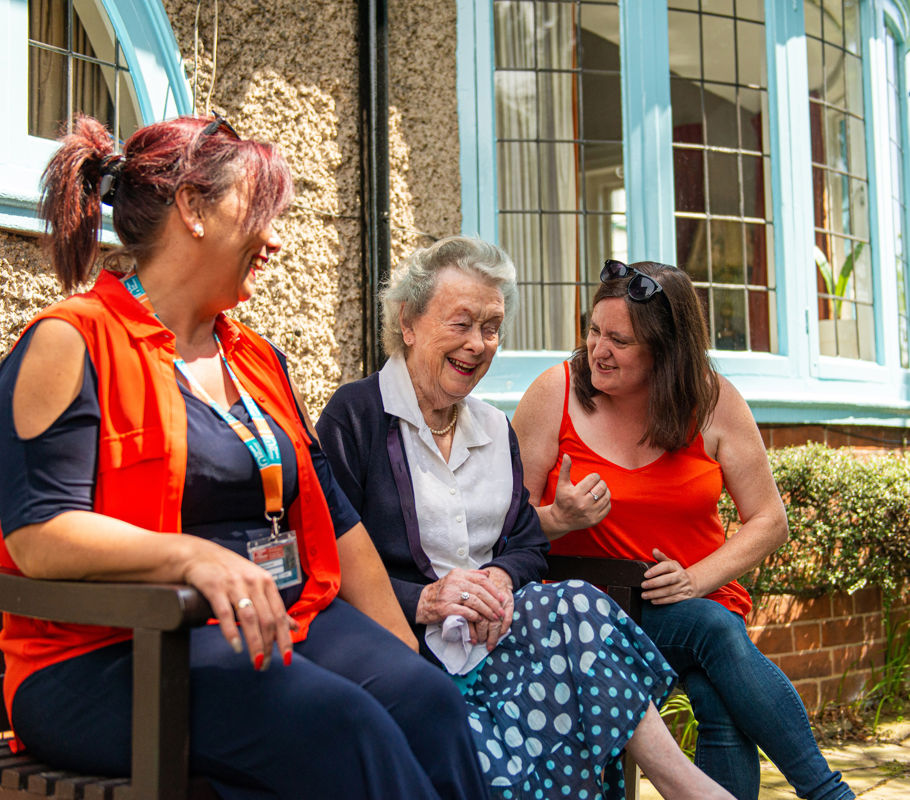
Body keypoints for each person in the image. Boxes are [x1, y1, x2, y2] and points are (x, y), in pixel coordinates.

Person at [0, 114, 490, 800]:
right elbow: (38, 535)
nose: (277, 238)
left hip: (281, 622)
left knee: (429, 707)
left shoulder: (255, 359)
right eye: (261, 210)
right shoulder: (70, 341)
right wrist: (193, 557)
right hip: (115, 655)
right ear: (194, 209)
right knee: (345, 727)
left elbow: (332, 515)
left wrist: (400, 657)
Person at [316, 236, 735, 800]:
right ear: (409, 322)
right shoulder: (358, 415)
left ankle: (683, 786)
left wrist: (501, 577)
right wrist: (426, 599)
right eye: (461, 323)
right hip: (405, 650)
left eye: (491, 328)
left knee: (577, 604)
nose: (478, 344)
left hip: (494, 638)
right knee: (549, 703)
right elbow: (326, 553)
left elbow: (525, 542)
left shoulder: (491, 427)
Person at [512, 259, 855, 800]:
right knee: (715, 634)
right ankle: (828, 792)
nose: (597, 350)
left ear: (666, 350)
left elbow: (769, 521)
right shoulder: (554, 393)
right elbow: (506, 525)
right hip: (592, 614)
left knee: (719, 692)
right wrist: (561, 518)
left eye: (619, 341)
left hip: (698, 598)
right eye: (594, 331)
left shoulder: (713, 400)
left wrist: (694, 580)